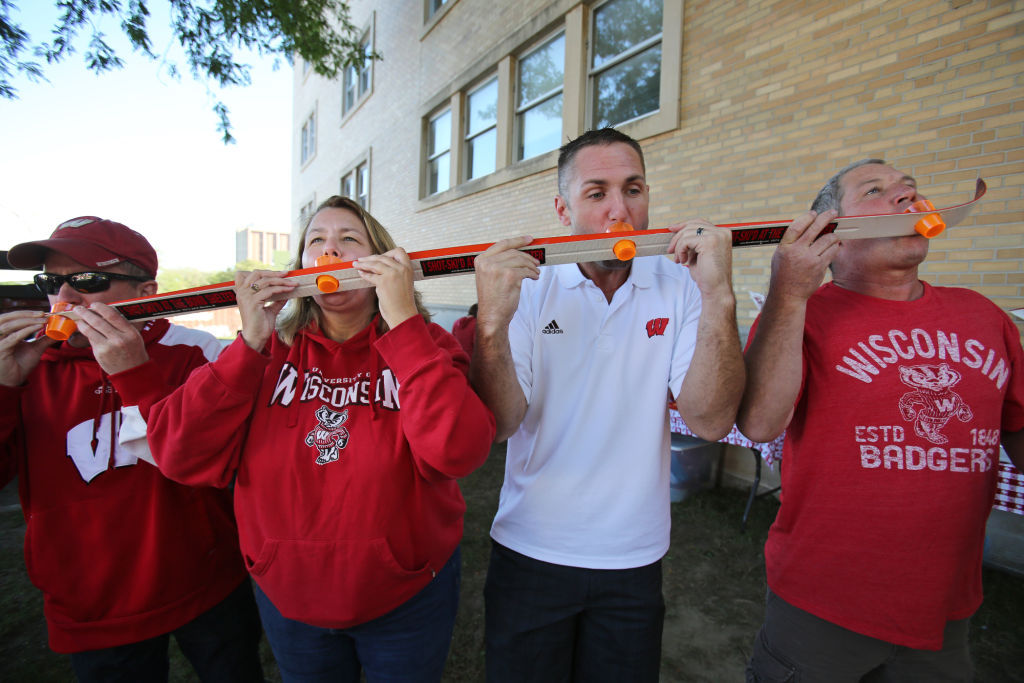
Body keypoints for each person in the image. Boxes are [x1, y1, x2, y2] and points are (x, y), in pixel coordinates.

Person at [145, 196, 496, 682]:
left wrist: (404, 324)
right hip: (289, 597)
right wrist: (249, 343)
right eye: (316, 241)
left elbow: (459, 451)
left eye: (349, 240)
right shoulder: (264, 350)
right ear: (299, 269)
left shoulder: (427, 346)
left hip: (406, 593)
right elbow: (178, 454)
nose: (330, 253)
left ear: (382, 263)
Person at [470, 127, 745, 681]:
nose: (620, 211)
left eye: (633, 189)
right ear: (562, 206)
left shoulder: (681, 281)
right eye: (596, 193)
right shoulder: (530, 285)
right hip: (530, 548)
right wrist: (491, 323)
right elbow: (501, 424)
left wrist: (719, 296)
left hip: (633, 556)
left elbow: (711, 420)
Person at [738, 159, 1024, 681]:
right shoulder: (801, 313)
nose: (907, 200)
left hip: (946, 608)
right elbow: (759, 423)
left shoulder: (986, 317)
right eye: (876, 190)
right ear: (831, 232)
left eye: (911, 191)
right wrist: (788, 293)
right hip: (820, 603)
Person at [0, 217, 263, 682]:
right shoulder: (25, 365)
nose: (64, 299)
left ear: (147, 293)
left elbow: (209, 462)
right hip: (90, 598)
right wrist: (2, 389)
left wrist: (133, 373)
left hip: (204, 582)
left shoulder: (193, 352)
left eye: (87, 281)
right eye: (50, 282)